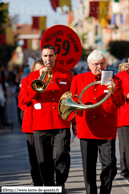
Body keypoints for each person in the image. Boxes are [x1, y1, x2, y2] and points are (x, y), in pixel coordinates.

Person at [70, 50, 125, 194]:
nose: (99, 67)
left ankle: (105, 192)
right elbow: (73, 103)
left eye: (102, 63)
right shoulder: (78, 79)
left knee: (109, 165)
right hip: (87, 128)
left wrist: (113, 91)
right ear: (89, 65)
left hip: (107, 129)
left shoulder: (115, 80)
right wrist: (73, 123)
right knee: (88, 167)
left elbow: (120, 102)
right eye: (95, 64)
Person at [20, 45, 73, 194]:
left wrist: (74, 122)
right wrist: (38, 81)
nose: (48, 59)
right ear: (42, 57)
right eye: (45, 56)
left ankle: (60, 183)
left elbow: (73, 98)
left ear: (56, 56)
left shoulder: (67, 75)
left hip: (61, 123)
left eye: (51, 56)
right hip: (40, 125)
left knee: (61, 155)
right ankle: (50, 188)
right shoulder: (30, 78)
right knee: (44, 162)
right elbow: (23, 100)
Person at [18, 58, 44, 186]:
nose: (40, 73)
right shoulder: (26, 81)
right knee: (34, 156)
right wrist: (35, 91)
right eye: (38, 70)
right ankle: (37, 182)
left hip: (46, 124)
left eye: (42, 70)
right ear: (33, 70)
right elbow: (21, 101)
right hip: (32, 125)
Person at [116, 62, 129, 178]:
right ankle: (125, 168)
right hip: (125, 114)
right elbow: (116, 93)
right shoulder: (120, 76)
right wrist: (126, 95)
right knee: (125, 144)